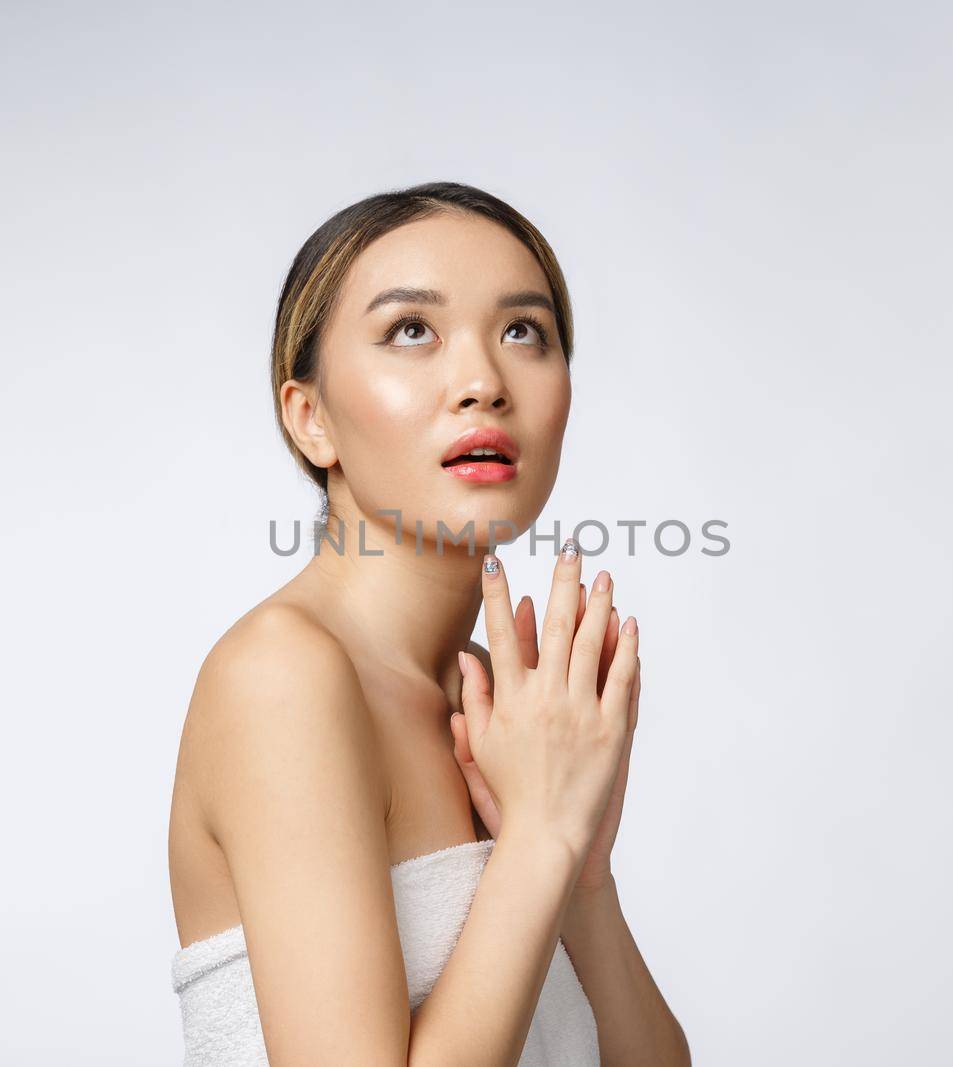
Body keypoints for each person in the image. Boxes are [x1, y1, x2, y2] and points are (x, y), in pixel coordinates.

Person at [167, 181, 690, 1065]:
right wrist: (538, 839)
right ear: (311, 418)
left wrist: (582, 873)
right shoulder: (283, 675)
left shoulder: (506, 710)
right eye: (412, 330)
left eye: (525, 331)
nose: (483, 381)